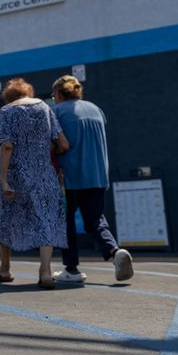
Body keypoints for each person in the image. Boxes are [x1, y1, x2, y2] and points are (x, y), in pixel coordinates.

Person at [51, 75, 134, 282]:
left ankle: (71, 269)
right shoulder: (96, 109)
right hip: (97, 176)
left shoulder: (57, 112)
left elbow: (55, 144)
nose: (53, 99)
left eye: (54, 95)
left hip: (69, 176)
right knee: (94, 220)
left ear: (60, 94)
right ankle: (115, 252)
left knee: (66, 222)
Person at [0, 78, 69, 289]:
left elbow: (7, 146)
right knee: (46, 219)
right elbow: (62, 143)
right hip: (44, 175)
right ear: (28, 92)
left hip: (17, 176)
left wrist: (3, 178)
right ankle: (45, 272)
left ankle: (5, 269)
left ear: (8, 97)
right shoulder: (45, 108)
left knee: (8, 219)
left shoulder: (6, 112)